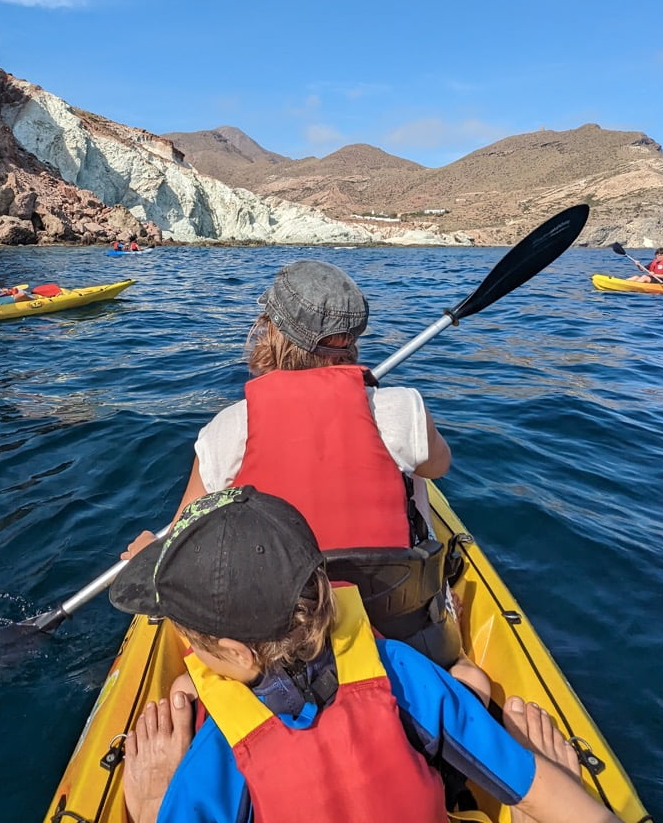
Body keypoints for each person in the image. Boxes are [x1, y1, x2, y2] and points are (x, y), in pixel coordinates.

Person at [111, 486, 621, 823]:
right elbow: (542, 792)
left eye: (191, 641)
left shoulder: (218, 750)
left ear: (237, 654)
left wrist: (154, 805)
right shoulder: (402, 672)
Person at [124, 260, 488, 697]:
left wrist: (151, 552)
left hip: (278, 645)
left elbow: (186, 537)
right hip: (393, 627)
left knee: (185, 687)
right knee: (470, 677)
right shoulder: (401, 407)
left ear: (271, 333)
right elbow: (439, 465)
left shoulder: (227, 429)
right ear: (353, 341)